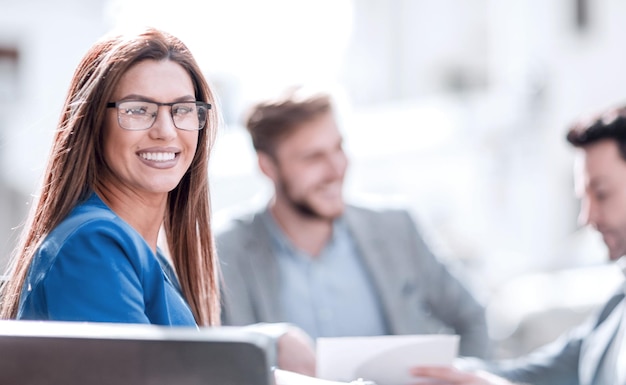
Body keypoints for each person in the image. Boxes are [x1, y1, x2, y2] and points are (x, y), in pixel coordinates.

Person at [0, 27, 337, 385]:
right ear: (94, 123)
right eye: (138, 110)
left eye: (183, 110)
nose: (165, 130)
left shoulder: (146, 254)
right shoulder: (94, 244)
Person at [215, 86, 491, 358]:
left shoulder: (396, 229)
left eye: (338, 148)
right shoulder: (224, 252)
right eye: (314, 157)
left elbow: (472, 319)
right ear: (268, 167)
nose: (337, 168)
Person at [412, 104, 626, 384]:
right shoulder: (617, 303)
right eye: (582, 198)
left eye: (601, 193)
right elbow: (547, 371)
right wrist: (448, 373)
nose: (587, 217)